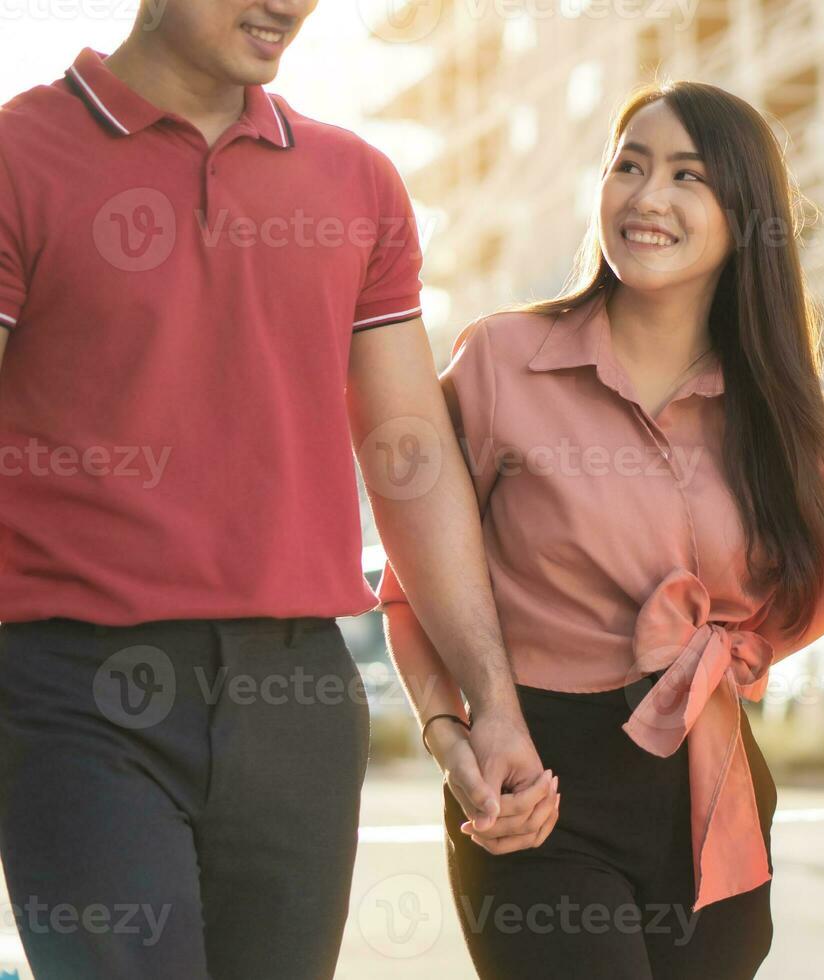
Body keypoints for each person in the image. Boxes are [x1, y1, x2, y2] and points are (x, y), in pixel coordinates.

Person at [378, 80, 824, 979]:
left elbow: (757, 637)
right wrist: (455, 744)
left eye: (687, 176)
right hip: (539, 796)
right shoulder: (500, 364)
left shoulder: (769, 416)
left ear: (743, 217)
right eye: (628, 165)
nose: (647, 197)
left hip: (715, 814)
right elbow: (411, 586)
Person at [0, 2, 554, 977]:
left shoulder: (356, 181)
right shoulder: (17, 156)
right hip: (74, 697)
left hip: (296, 698)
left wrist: (492, 697)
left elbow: (409, 454)